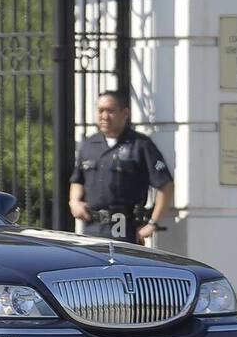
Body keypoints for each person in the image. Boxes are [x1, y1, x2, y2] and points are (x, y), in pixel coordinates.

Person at [69, 90, 174, 244]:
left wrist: (152, 223)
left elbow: (166, 185)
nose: (104, 116)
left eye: (110, 111)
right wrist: (74, 202)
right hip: (91, 230)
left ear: (125, 113)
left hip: (125, 231)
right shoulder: (89, 145)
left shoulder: (141, 145)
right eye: (100, 111)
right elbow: (77, 180)